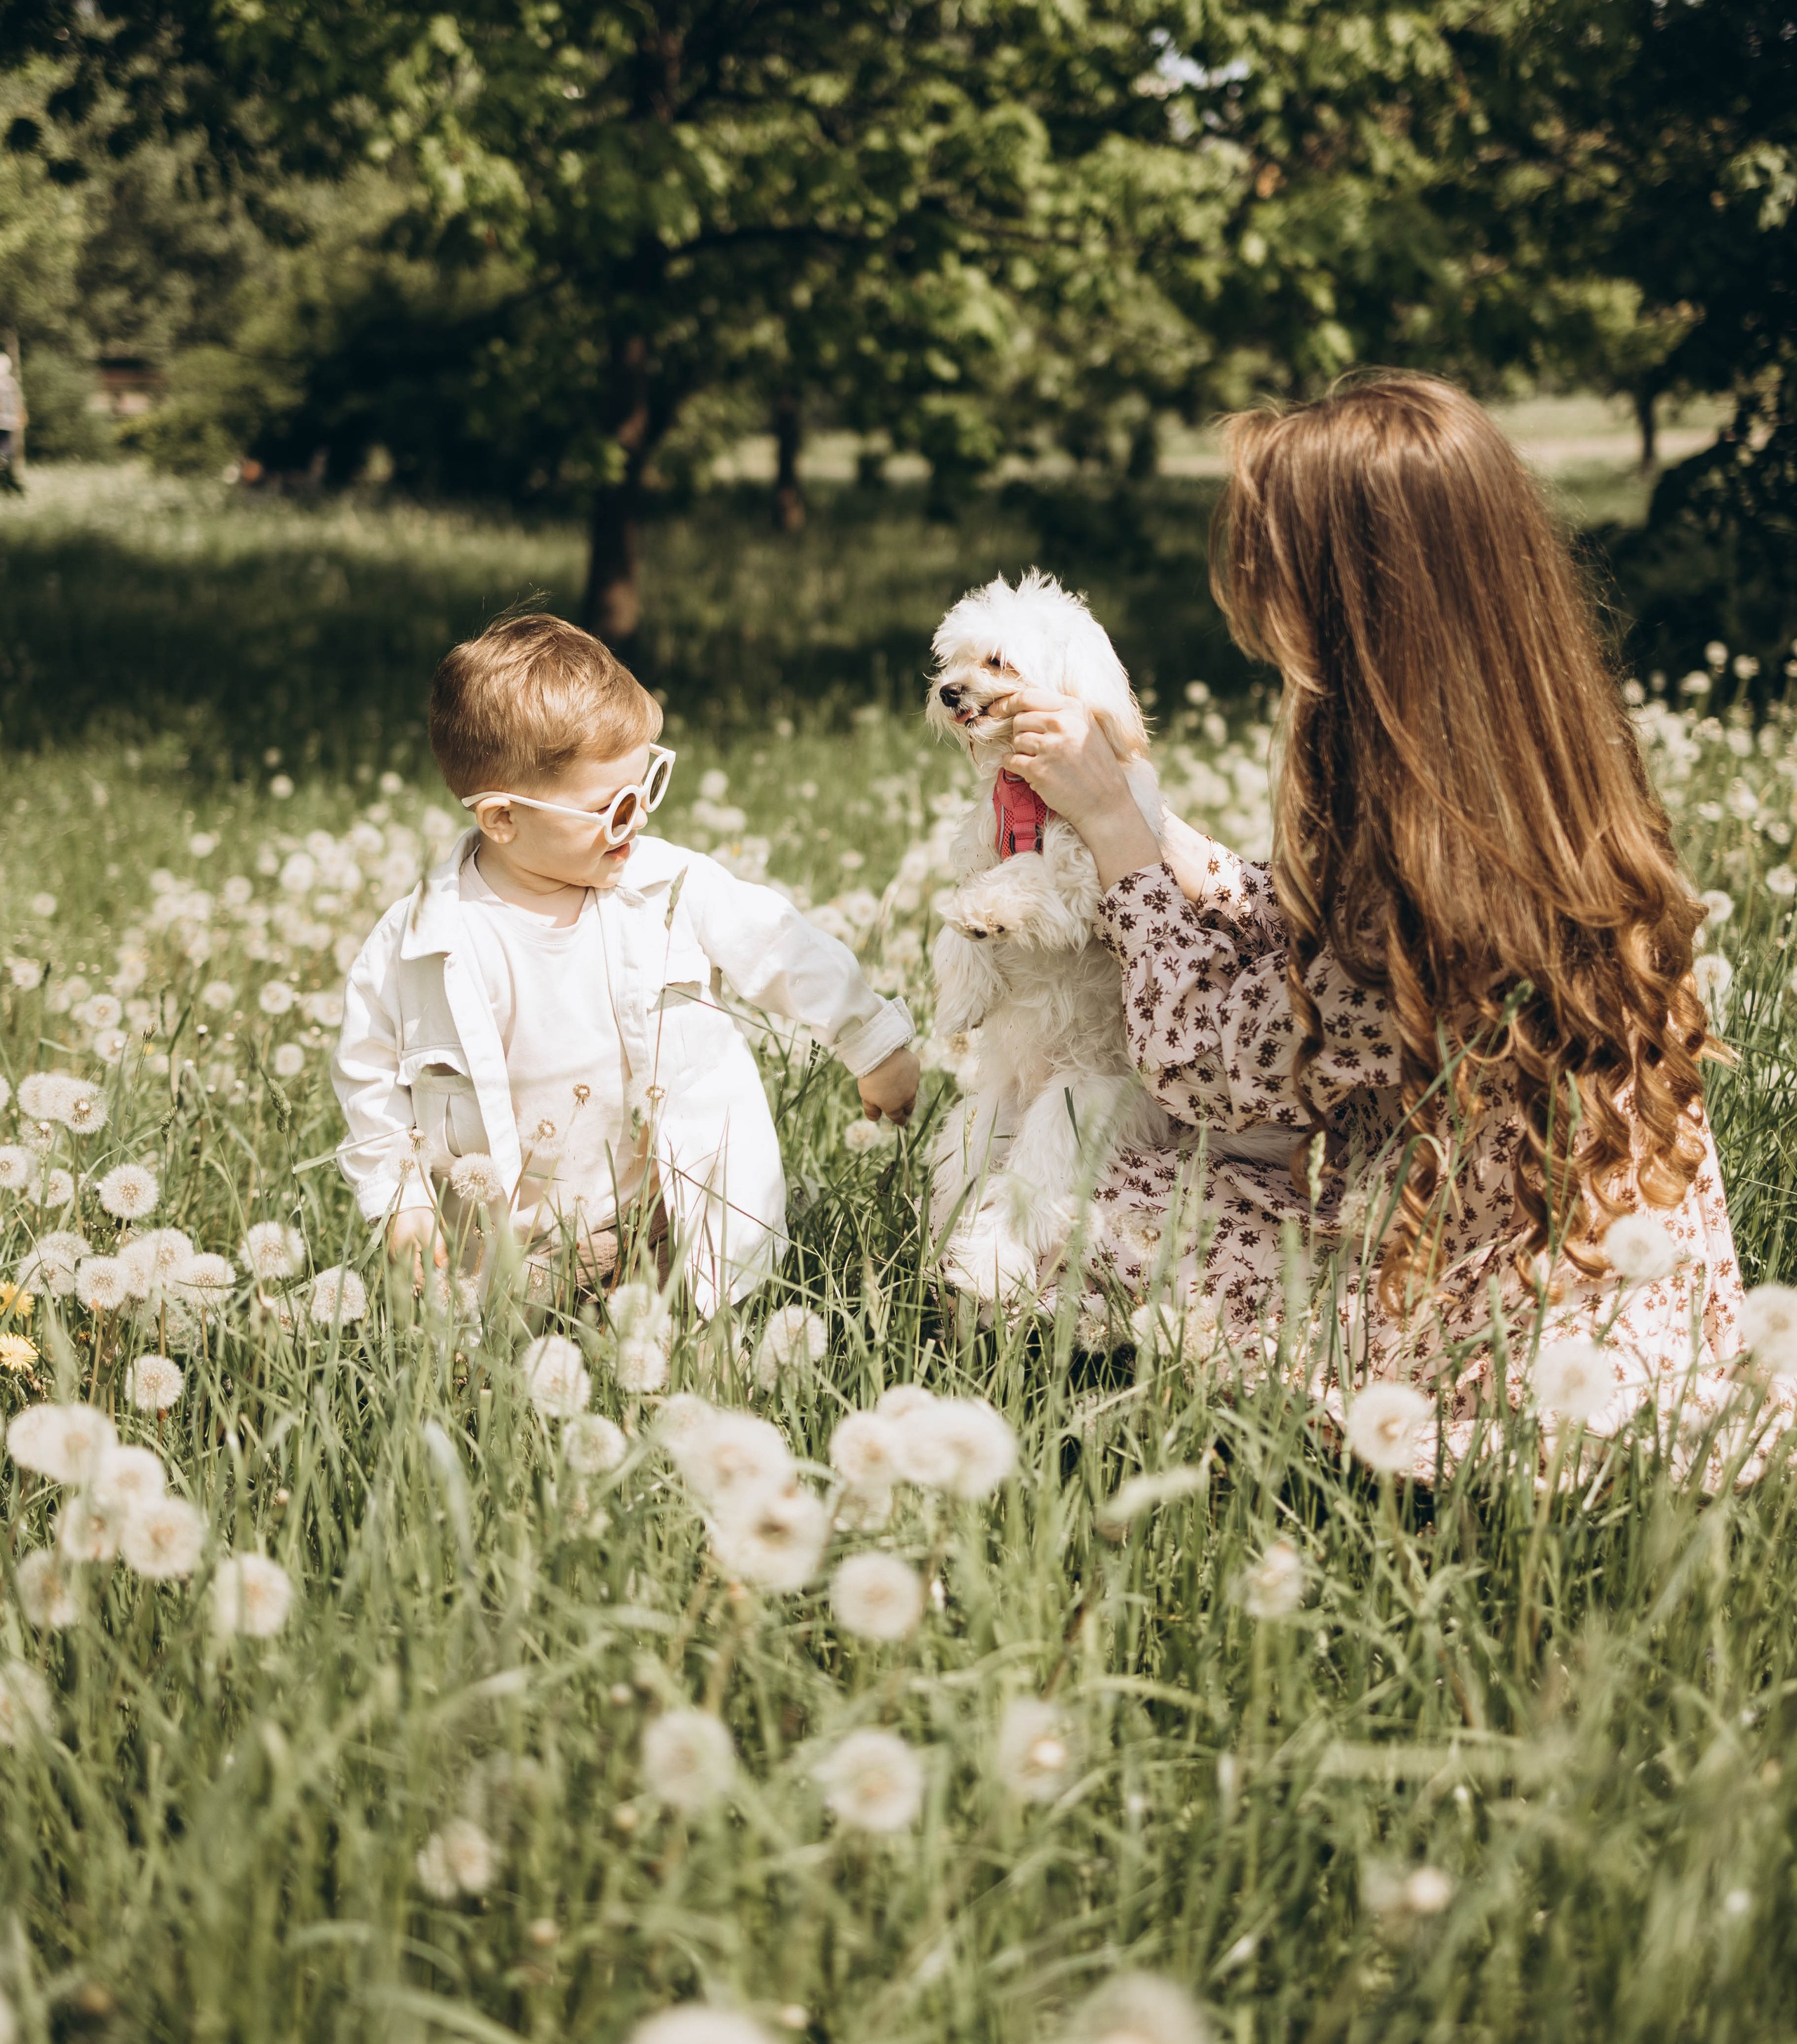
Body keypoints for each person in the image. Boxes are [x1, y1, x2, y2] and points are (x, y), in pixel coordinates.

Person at [995, 371, 1770, 1478]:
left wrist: (1116, 831)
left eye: (1277, 582)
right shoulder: (1532, 789)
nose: (1258, 610)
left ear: (1355, 608)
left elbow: (1205, 1066)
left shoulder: (1443, 888)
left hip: (1479, 1326)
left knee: (1060, 1198)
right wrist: (1163, 834)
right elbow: (1315, 940)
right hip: (1596, 1278)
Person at [333, 613, 919, 1311]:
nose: (637, 819)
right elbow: (368, 1074)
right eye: (611, 809)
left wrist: (870, 1043)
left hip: (668, 1221)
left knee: (689, 1362)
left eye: (647, 789)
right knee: (497, 1372)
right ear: (502, 819)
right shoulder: (416, 943)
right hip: (510, 1253)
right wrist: (400, 1197)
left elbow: (783, 948)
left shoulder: (667, 886)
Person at [0, 349, 25, 492]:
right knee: (7, 451)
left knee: (5, 452)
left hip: (4, 422)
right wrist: (20, 416)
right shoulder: (11, 382)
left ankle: (5, 469)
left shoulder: (5, 383)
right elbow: (19, 400)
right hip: (9, 422)